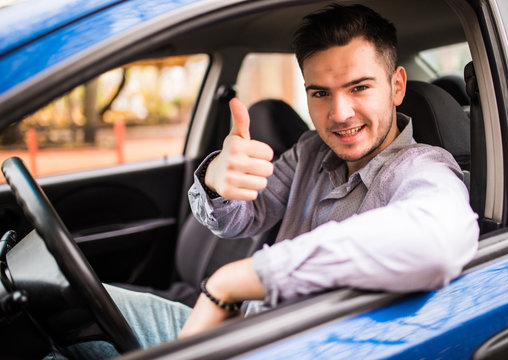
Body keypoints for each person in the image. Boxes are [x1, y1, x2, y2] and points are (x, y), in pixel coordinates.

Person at [54, 3, 478, 358]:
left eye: (359, 87)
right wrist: (218, 179)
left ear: (397, 86)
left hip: (283, 345)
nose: (341, 113)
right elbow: (241, 219)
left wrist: (235, 281)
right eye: (320, 93)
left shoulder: (422, 168)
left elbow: (437, 241)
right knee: (59, 309)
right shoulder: (313, 150)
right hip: (242, 326)